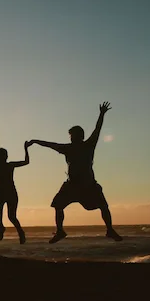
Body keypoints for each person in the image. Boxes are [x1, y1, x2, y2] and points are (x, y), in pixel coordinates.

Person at [28, 102, 123, 243]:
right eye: (70, 136)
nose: (71, 138)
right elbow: (51, 145)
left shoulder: (88, 145)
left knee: (103, 206)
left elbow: (97, 129)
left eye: (73, 136)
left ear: (80, 136)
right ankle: (60, 231)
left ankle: (109, 229)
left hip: (88, 185)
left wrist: (102, 114)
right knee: (58, 205)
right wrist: (36, 141)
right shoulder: (68, 148)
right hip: (72, 185)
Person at [0, 132, 29, 243]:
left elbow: (26, 162)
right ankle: (1, 228)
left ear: (6, 157)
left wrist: (26, 149)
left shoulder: (10, 165)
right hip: (1, 190)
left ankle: (20, 232)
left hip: (10, 190)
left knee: (11, 216)